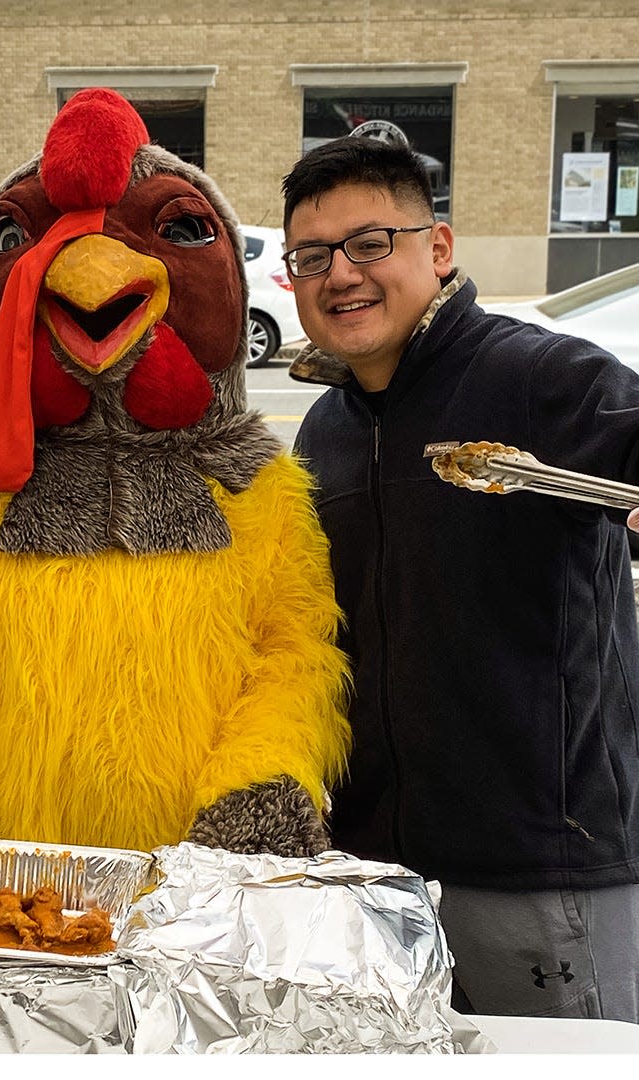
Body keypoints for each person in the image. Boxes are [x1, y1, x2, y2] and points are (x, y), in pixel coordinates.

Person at [282, 135, 639, 1024]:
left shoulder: (536, 376)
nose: (341, 275)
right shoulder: (325, 427)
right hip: (378, 877)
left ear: (436, 250)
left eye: (371, 243)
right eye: (311, 257)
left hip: (544, 871)